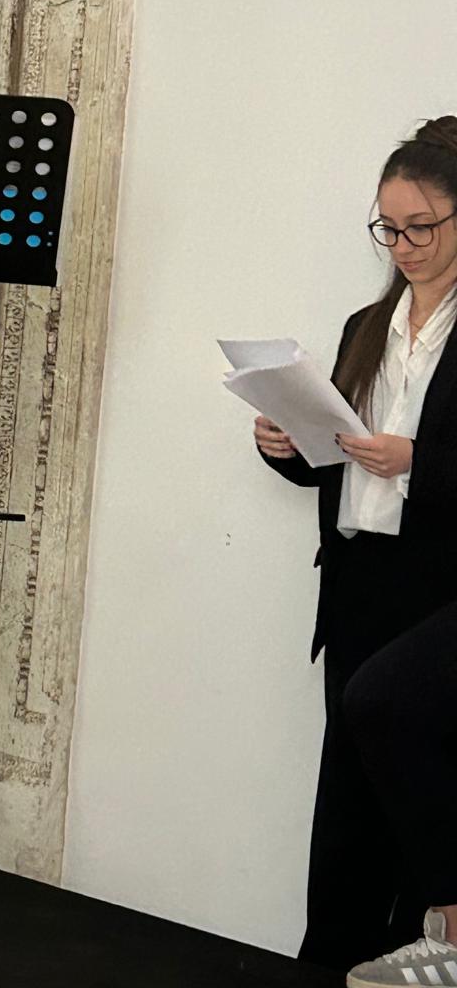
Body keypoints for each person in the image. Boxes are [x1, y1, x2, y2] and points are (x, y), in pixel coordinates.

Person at [255, 116, 457, 981]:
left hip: (438, 587)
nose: (403, 246)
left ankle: (430, 944)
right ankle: (333, 963)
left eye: (422, 227)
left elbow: (413, 460)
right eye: (389, 228)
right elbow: (336, 453)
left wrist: (419, 462)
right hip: (358, 580)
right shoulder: (365, 325)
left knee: (415, 778)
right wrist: (287, 444)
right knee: (346, 802)